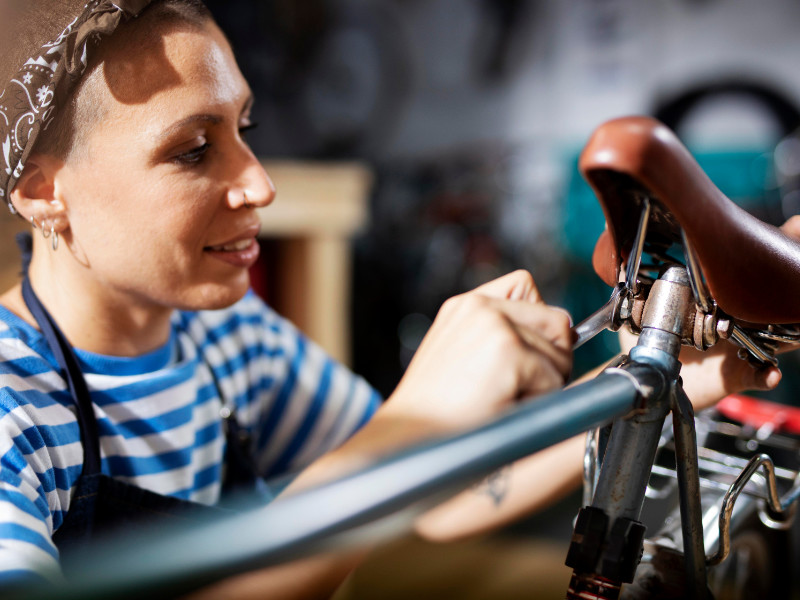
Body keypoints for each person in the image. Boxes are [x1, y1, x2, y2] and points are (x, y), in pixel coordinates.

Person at [0, 1, 581, 597]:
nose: (261, 184)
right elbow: (392, 461)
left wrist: (659, 373)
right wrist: (409, 423)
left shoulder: (230, 338)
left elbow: (430, 500)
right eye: (194, 149)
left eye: (243, 129)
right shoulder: (14, 414)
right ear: (43, 192)